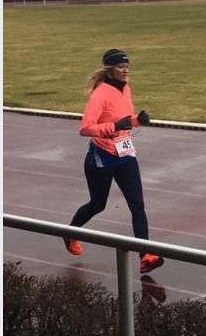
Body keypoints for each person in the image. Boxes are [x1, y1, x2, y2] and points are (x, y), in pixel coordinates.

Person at [63, 49, 164, 275]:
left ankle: (145, 255)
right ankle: (71, 232)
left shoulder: (125, 88)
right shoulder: (100, 94)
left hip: (125, 153)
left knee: (137, 205)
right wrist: (114, 127)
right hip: (102, 156)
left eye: (127, 66)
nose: (126, 70)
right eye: (121, 67)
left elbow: (125, 120)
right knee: (98, 204)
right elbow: (86, 128)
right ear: (110, 69)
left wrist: (138, 120)